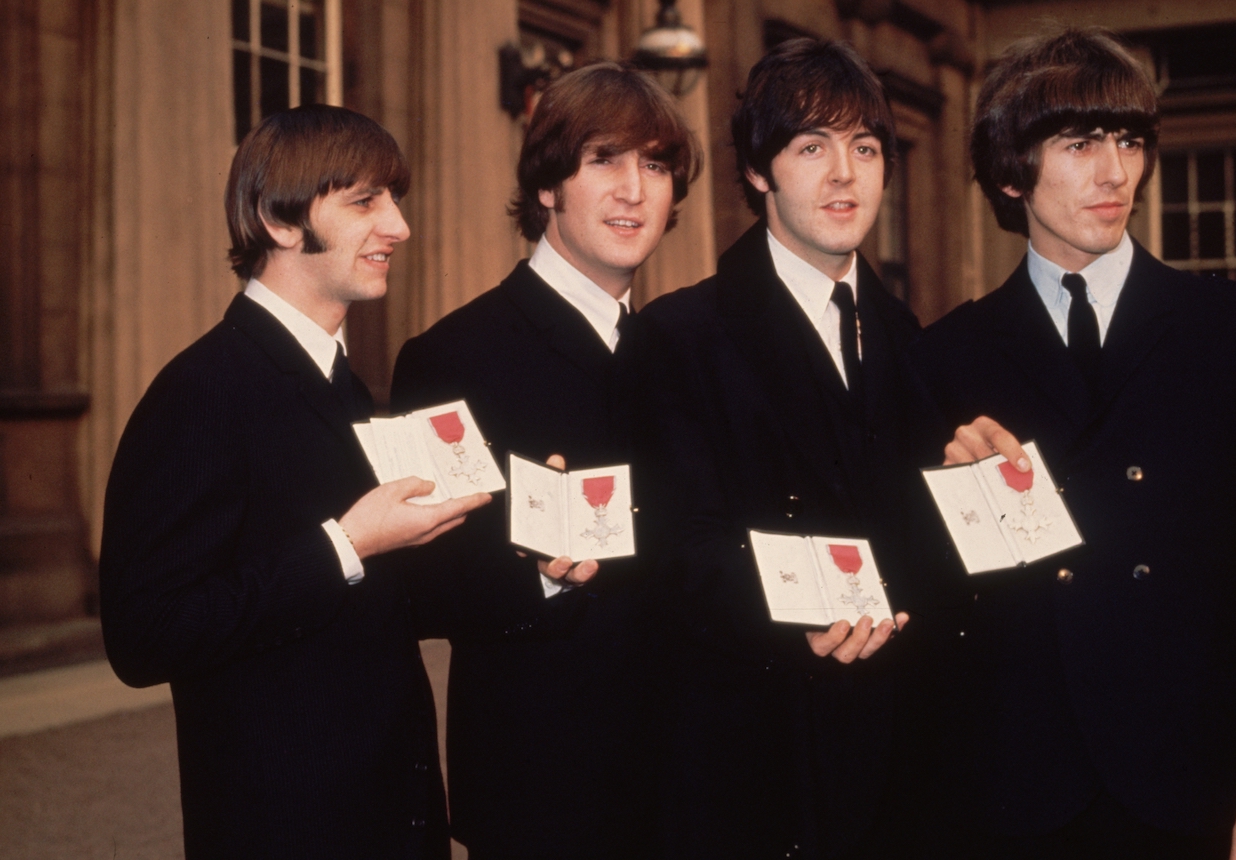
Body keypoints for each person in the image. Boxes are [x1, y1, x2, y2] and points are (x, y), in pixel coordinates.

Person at [909, 28, 1236, 860]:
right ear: (1012, 171)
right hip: (1013, 792)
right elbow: (937, 608)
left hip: (1192, 783)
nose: (1115, 173)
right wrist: (958, 510)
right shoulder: (947, 357)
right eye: (1080, 143)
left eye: (1128, 140)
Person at [98, 105, 493, 860]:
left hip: (383, 817)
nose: (399, 227)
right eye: (364, 201)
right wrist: (345, 543)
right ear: (278, 222)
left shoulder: (341, 384)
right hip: (285, 830)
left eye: (393, 199)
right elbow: (143, 637)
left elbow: (371, 607)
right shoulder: (202, 391)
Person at [389, 62, 701, 860]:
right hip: (544, 794)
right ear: (549, 185)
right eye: (605, 159)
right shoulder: (453, 357)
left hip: (692, 787)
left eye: (657, 165)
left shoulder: (692, 355)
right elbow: (417, 588)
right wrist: (539, 573)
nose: (635, 190)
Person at [622, 38, 923, 859]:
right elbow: (675, 548)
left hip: (895, 766)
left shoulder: (911, 338)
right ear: (758, 172)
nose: (844, 175)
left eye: (865, 148)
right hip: (750, 766)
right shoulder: (679, 336)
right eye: (811, 147)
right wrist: (812, 602)